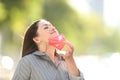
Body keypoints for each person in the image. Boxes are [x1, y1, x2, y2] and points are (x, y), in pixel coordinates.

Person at [12, 19, 84, 80]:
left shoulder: (64, 60)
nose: (53, 28)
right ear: (37, 39)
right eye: (46, 27)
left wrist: (70, 59)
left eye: (53, 26)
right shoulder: (28, 61)